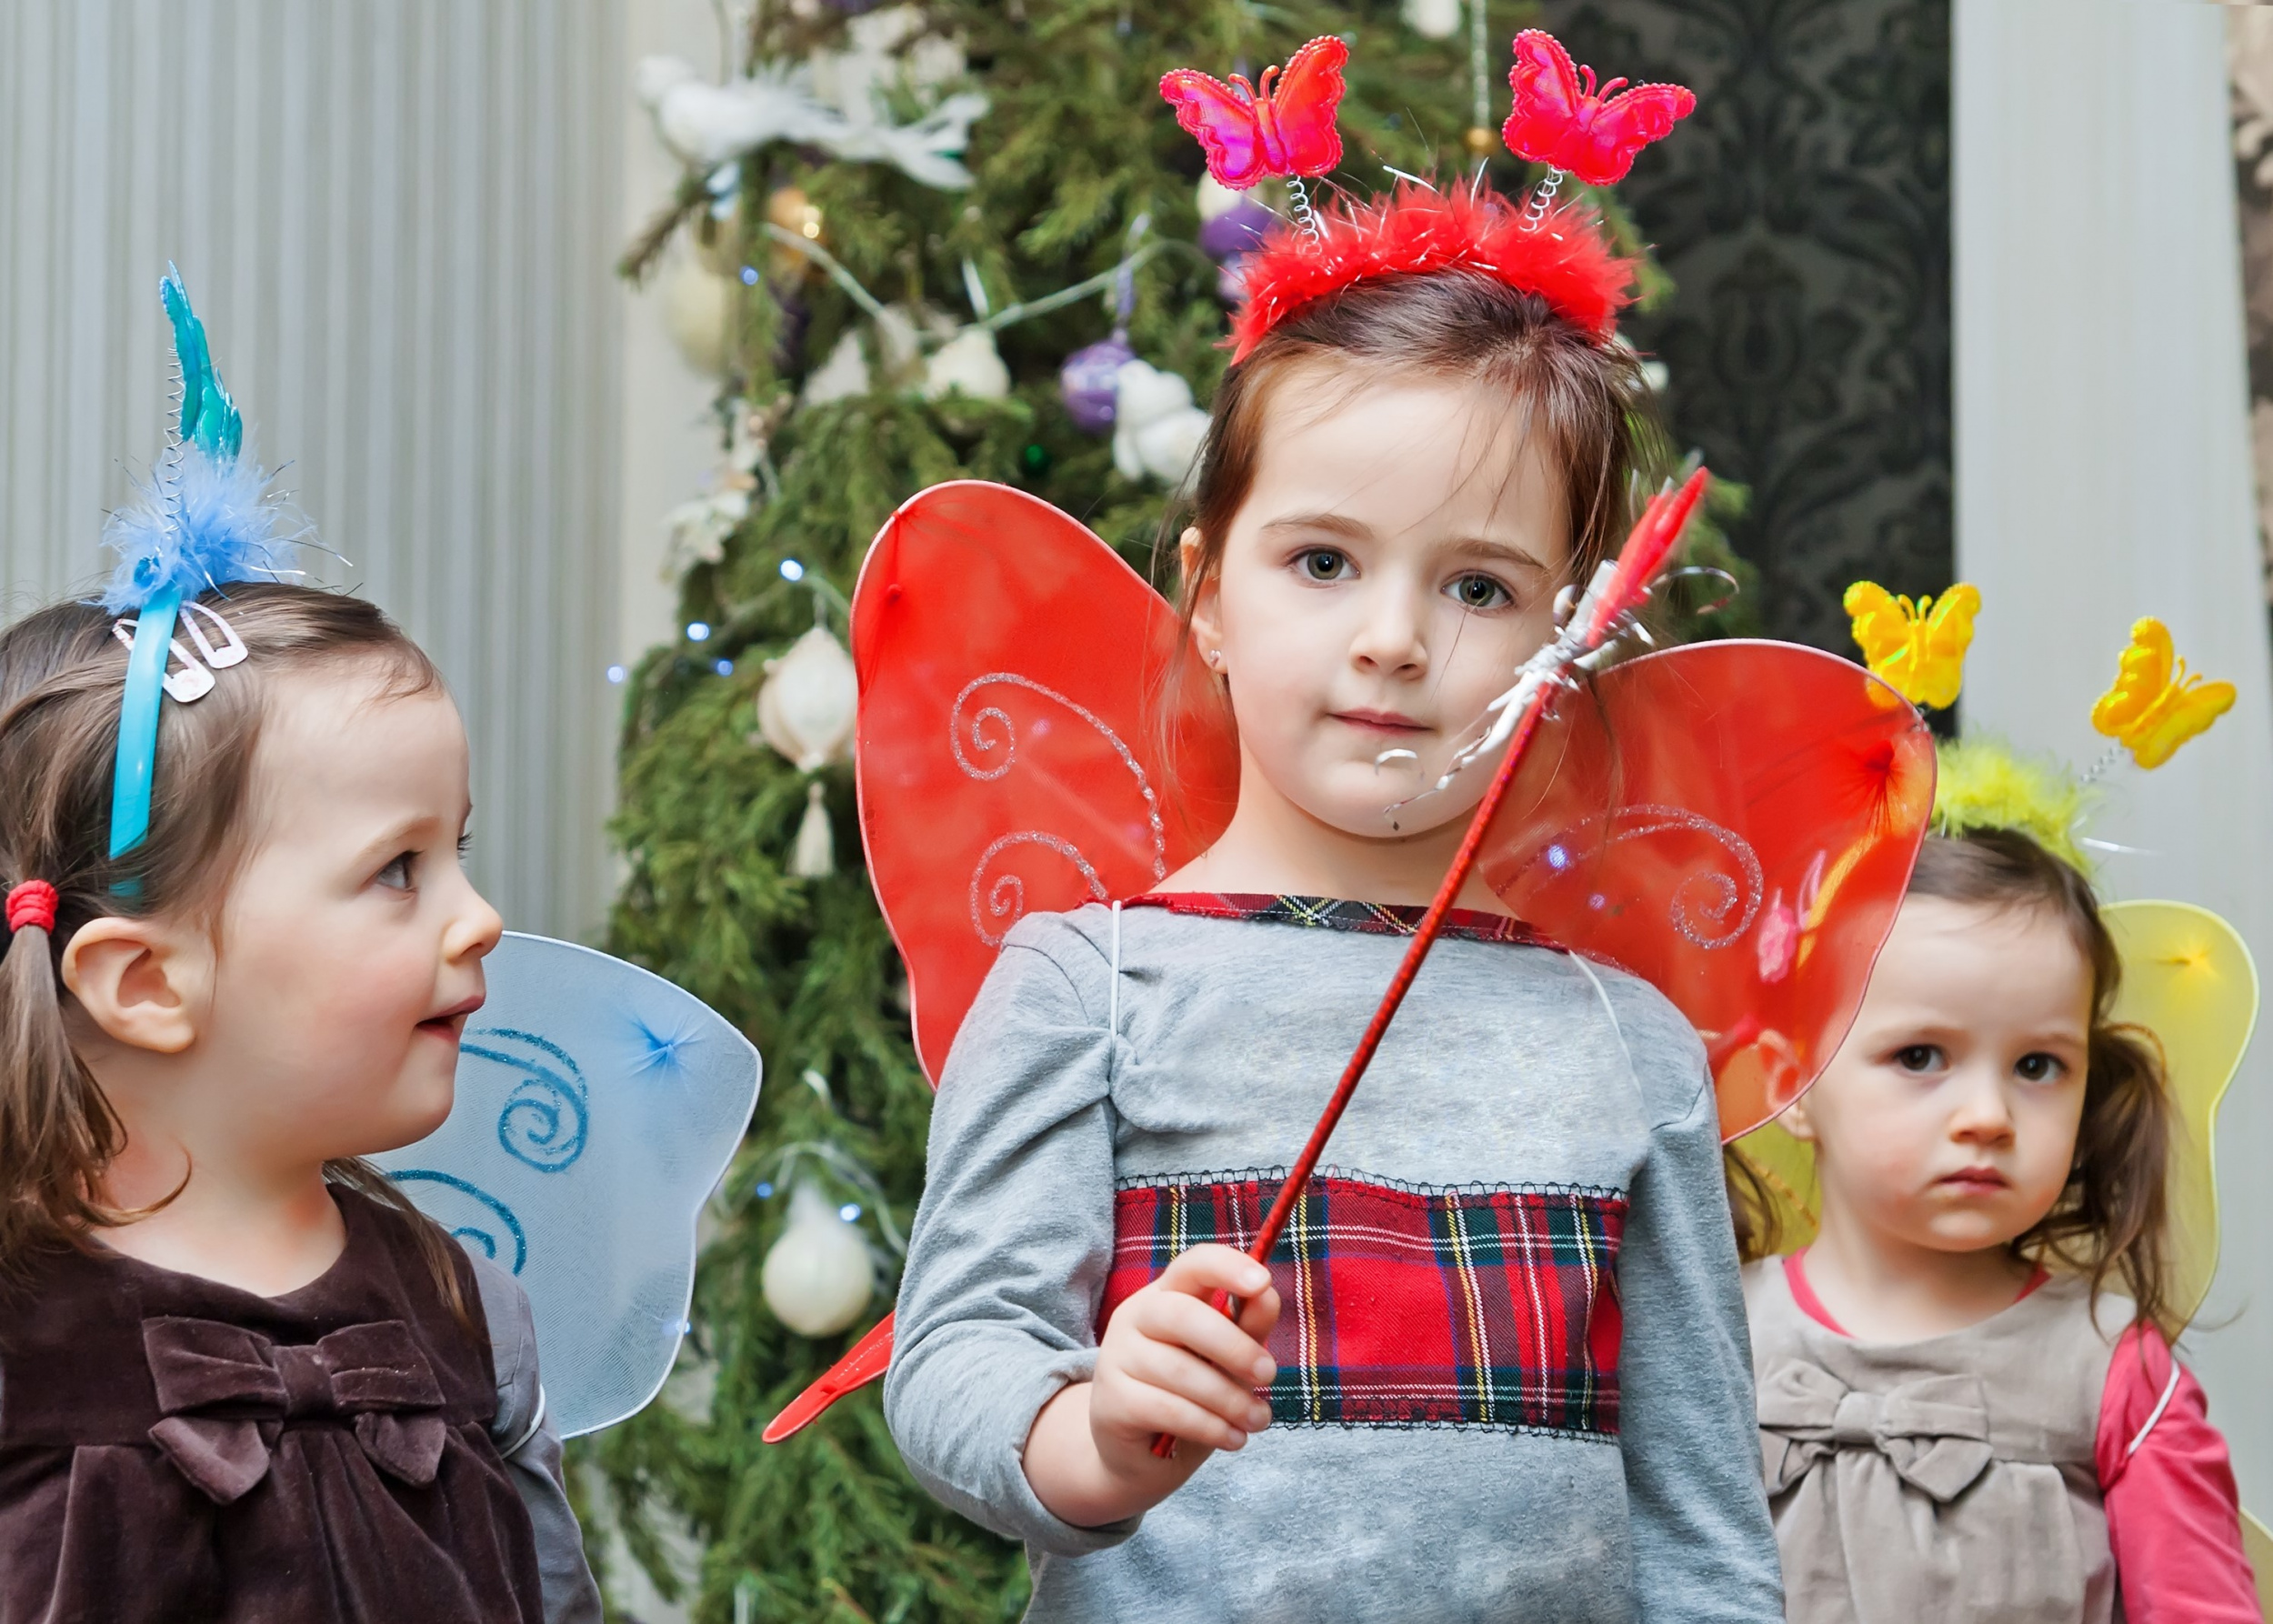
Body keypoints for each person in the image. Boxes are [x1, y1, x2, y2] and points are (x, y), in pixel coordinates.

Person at [881, 35, 1784, 1623]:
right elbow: (952, 1361)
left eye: (1481, 586)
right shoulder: (1089, 987)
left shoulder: (1622, 1042)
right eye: (1322, 562)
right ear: (1207, 592)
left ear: (1567, 648)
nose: (1392, 639)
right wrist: (1088, 1431)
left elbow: (1702, 1522)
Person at [0, 273, 600, 1623]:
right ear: (148, 982)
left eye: (458, 848)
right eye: (398, 869)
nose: (480, 913)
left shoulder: (467, 1312)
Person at [1735, 592, 2262, 1623]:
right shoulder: (1707, 1337)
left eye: (2038, 1066)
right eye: (1921, 1055)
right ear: (1793, 1080)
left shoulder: (2111, 1365)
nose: (1987, 1114)